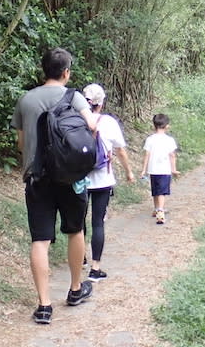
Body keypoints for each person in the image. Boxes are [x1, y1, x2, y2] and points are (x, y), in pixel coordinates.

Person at [10, 47, 97, 325]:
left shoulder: (26, 100)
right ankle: (74, 289)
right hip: (71, 178)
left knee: (40, 240)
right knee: (76, 230)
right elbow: (92, 126)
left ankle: (44, 305)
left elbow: (21, 144)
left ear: (43, 70)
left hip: (37, 179)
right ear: (66, 72)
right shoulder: (74, 97)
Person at [82, 83, 135, 282]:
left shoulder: (75, 120)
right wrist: (129, 172)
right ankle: (95, 268)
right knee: (97, 222)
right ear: (101, 103)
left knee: (79, 221)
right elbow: (120, 150)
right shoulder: (109, 122)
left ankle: (80, 260)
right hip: (103, 178)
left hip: (78, 179)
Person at [139, 113, 180, 224]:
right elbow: (172, 155)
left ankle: (156, 208)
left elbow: (146, 155)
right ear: (167, 126)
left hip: (153, 169)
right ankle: (160, 212)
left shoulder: (150, 139)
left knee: (155, 190)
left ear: (154, 125)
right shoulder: (169, 140)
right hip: (164, 169)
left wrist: (144, 169)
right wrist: (174, 169)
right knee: (162, 191)